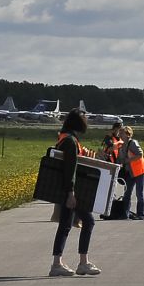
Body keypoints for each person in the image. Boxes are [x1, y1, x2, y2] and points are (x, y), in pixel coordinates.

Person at [49, 110, 100, 277]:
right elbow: (70, 169)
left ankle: (58, 263)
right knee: (88, 221)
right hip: (71, 191)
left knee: (65, 225)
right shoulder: (70, 142)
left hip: (65, 189)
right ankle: (82, 263)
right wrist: (71, 192)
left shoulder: (65, 138)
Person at [117, 123, 144, 220]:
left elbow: (140, 154)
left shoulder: (133, 143)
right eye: (120, 133)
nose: (120, 135)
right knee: (127, 192)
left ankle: (141, 214)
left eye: (122, 133)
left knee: (139, 193)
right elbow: (120, 159)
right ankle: (125, 214)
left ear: (128, 134)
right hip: (130, 172)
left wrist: (127, 160)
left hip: (139, 171)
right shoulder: (121, 146)